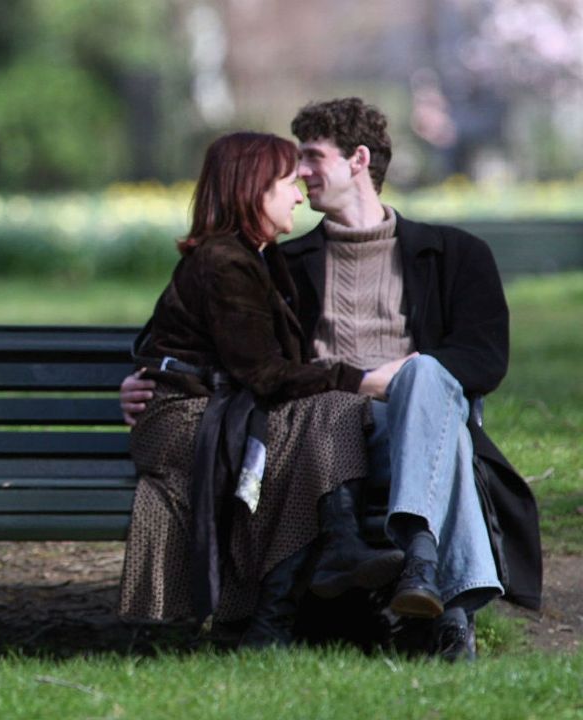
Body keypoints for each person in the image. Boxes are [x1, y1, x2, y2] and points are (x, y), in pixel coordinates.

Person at [121, 98, 542, 661]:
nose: (300, 175)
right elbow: (187, 323)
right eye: (293, 166)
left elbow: (484, 359)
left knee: (428, 385)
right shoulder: (279, 259)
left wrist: (404, 378)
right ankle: (445, 605)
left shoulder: (454, 255)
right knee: (445, 431)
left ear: (358, 160)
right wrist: (146, 374)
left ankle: (424, 576)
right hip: (325, 428)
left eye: (312, 158)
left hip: (414, 421)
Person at [118, 131, 407, 649]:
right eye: (287, 184)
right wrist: (364, 379)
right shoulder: (223, 261)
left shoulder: (255, 256)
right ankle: (298, 589)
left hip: (220, 410)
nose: (299, 195)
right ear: (254, 191)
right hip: (184, 420)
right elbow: (265, 374)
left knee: (320, 423)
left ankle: (278, 615)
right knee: (330, 413)